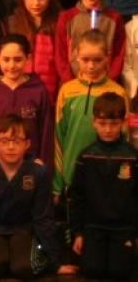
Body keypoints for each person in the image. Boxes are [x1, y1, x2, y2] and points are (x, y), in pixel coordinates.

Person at [0, 114, 58, 278]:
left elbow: (43, 217)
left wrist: (54, 262)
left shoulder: (38, 171)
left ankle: (19, 257)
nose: (10, 147)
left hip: (24, 230)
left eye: (17, 141)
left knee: (24, 268)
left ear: (27, 144)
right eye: (4, 141)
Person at [53, 29, 128, 202]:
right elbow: (58, 138)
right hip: (72, 174)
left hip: (107, 178)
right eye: (85, 60)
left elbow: (125, 138)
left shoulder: (118, 92)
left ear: (107, 57)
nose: (91, 66)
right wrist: (57, 183)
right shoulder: (67, 91)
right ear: (76, 56)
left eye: (97, 60)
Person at [68, 92, 138, 279]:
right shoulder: (86, 156)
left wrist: (135, 233)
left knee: (120, 272)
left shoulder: (132, 156)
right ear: (94, 122)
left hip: (123, 229)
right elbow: (77, 197)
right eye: (102, 123)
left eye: (114, 124)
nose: (108, 129)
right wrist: (78, 233)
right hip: (93, 228)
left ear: (123, 123)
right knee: (92, 271)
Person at [0, 35, 53, 167]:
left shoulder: (39, 92)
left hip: (29, 167)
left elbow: (46, 134)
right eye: (6, 59)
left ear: (28, 58)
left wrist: (44, 168)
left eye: (17, 59)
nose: (12, 65)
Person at [55, 0, 126, 84]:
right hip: (73, 83)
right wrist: (70, 81)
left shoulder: (114, 19)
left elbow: (119, 54)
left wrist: (109, 81)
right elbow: (60, 54)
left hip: (105, 84)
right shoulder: (66, 18)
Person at [6, 0, 61, 99]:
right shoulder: (13, 22)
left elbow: (62, 61)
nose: (36, 3)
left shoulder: (59, 22)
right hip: (21, 91)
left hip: (50, 93)